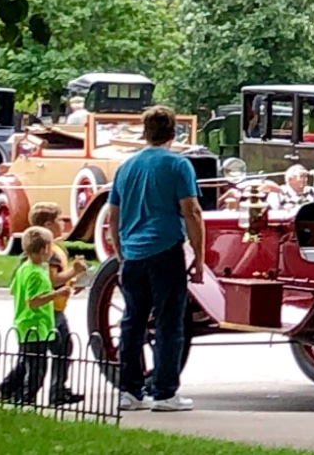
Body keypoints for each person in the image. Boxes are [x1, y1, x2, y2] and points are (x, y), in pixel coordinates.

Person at [106, 105, 204, 412]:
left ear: (145, 132)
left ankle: (129, 390)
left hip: (133, 254)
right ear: (173, 133)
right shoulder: (179, 165)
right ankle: (164, 392)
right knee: (169, 323)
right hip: (165, 250)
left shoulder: (126, 168)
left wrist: (121, 254)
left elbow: (112, 216)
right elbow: (192, 211)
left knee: (132, 322)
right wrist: (199, 257)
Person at [0, 227, 70, 405]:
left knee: (26, 363)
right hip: (35, 326)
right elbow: (33, 301)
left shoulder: (23, 269)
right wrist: (56, 294)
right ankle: (26, 398)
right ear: (44, 249)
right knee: (37, 369)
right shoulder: (36, 273)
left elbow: (14, 290)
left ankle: (10, 392)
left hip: (24, 324)